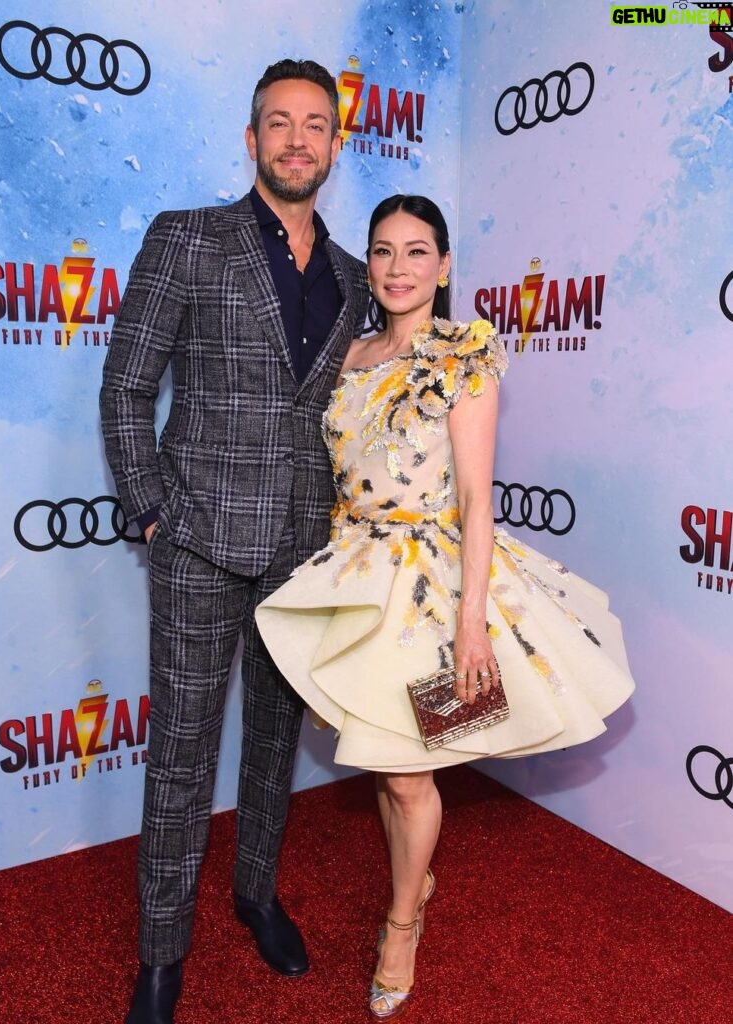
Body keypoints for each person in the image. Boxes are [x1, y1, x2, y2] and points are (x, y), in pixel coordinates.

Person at [255, 194, 635, 1020]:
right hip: (355, 571)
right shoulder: (348, 356)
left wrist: (471, 624)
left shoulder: (463, 354)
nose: (398, 268)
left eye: (417, 251)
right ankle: (411, 882)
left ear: (445, 265)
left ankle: (401, 923)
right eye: (384, 252)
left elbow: (474, 493)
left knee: (407, 772)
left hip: (432, 581)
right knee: (394, 770)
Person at [100, 59, 368, 1024]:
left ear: (336, 145)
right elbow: (127, 387)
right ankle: (161, 956)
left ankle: (256, 892)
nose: (297, 139)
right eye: (278, 123)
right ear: (251, 139)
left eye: (315, 125)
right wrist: (153, 506)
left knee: (270, 747)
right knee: (178, 755)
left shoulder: (351, 276)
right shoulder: (187, 240)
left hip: (301, 550)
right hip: (198, 543)